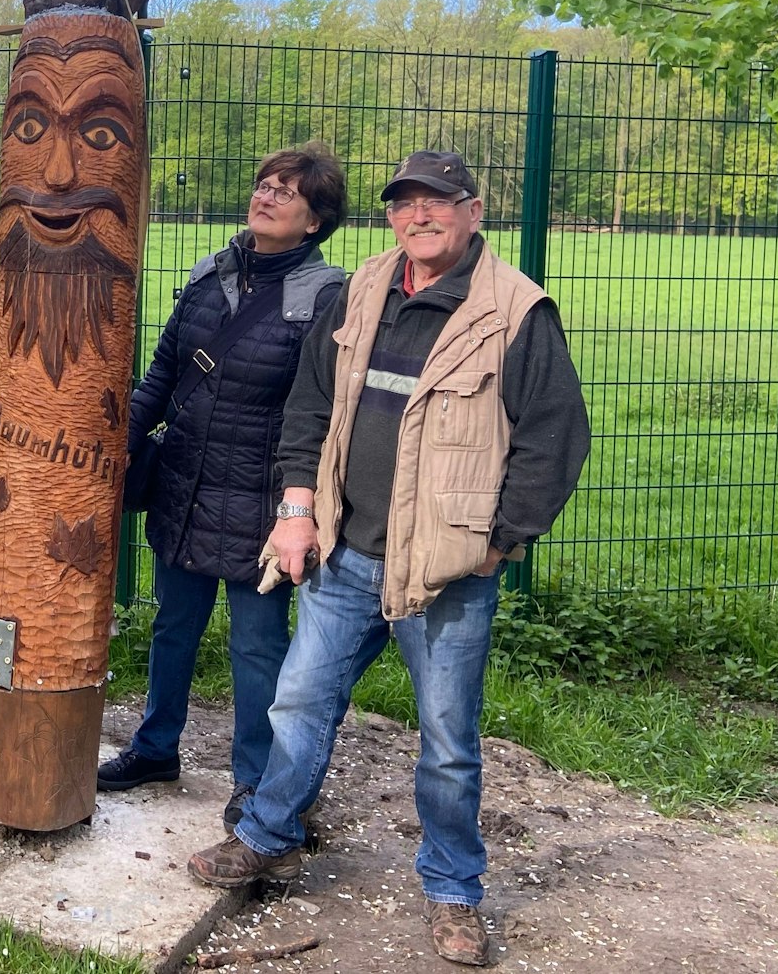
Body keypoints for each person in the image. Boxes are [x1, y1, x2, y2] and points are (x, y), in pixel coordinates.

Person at [185, 150, 591, 968]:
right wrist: (296, 510)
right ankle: (269, 835)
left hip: (443, 574)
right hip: (344, 552)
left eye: (437, 203)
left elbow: (554, 438)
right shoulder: (364, 288)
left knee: (447, 740)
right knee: (299, 703)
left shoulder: (515, 311)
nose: (419, 217)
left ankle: (453, 887)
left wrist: (498, 542)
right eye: (405, 204)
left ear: (473, 211)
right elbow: (310, 406)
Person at [97, 144, 347, 833]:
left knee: (257, 646)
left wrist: (299, 505)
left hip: (263, 499)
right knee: (172, 625)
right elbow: (161, 374)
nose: (266, 196)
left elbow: (320, 411)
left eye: (286, 192)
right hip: (184, 483)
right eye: (264, 184)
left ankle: (255, 779)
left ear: (315, 221)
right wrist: (121, 446)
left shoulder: (327, 296)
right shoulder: (211, 274)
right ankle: (155, 748)